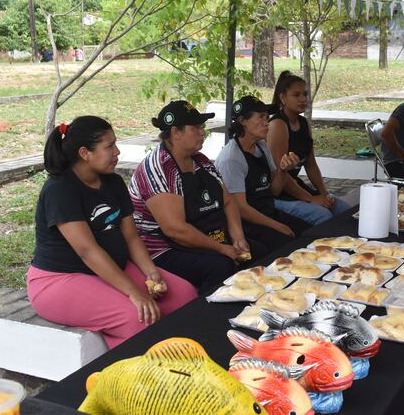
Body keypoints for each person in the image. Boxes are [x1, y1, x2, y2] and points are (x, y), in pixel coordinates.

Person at [27, 116, 197, 349]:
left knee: (185, 296)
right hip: (59, 279)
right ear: (85, 153)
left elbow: (131, 237)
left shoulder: (113, 182)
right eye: (109, 146)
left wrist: (151, 273)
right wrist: (134, 292)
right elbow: (88, 251)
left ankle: (186, 357)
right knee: (138, 316)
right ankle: (137, 369)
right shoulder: (60, 189)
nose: (117, 152)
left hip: (110, 269)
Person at [129, 101, 257, 297]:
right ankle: (206, 312)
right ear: (175, 133)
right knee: (219, 266)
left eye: (201, 127)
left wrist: (238, 237)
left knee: (257, 250)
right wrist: (222, 249)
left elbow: (228, 201)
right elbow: (175, 230)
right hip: (162, 248)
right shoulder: (158, 168)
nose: (202, 132)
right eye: (195, 128)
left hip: (204, 232)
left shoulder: (200, 160)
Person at [216, 95, 310, 245]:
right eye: (260, 117)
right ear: (242, 121)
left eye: (267, 117)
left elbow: (274, 191)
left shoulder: (261, 146)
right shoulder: (231, 159)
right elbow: (240, 208)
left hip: (268, 211)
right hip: (247, 224)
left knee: (309, 234)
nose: (267, 123)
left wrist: (283, 170)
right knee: (289, 244)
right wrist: (277, 226)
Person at [267, 71, 352, 225]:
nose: (303, 99)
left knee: (346, 211)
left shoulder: (304, 123)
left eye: (305, 94)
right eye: (296, 95)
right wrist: (311, 198)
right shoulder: (277, 125)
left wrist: (324, 193)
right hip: (278, 193)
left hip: (296, 186)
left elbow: (311, 165)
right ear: (283, 97)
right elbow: (281, 174)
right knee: (323, 216)